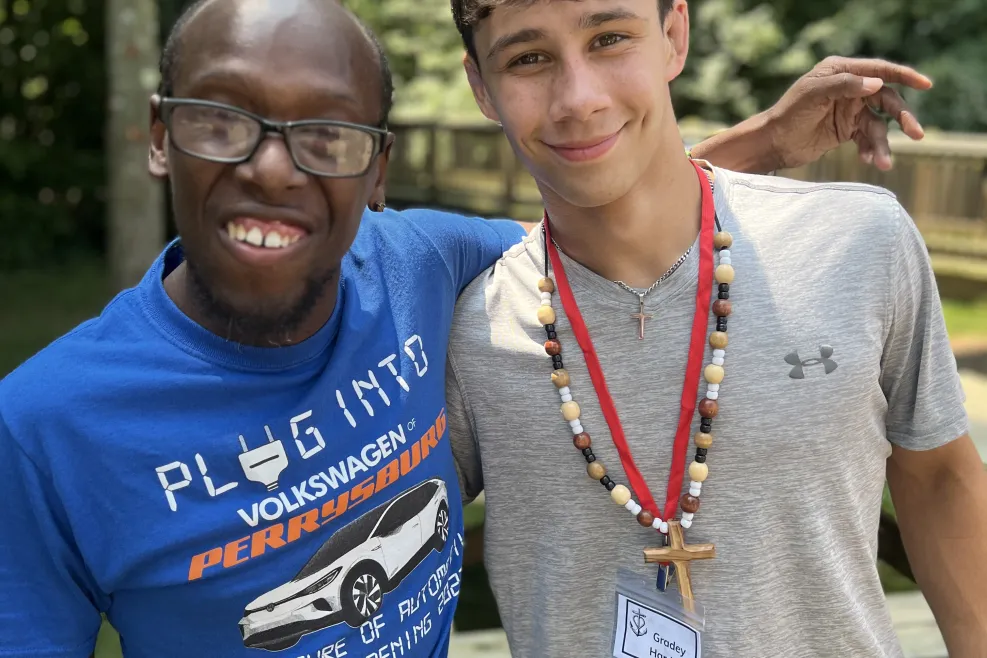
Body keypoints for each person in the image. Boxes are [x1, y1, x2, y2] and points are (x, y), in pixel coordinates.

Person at [0, 0, 940, 656]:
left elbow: (595, 205)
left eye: (327, 135)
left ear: (376, 172)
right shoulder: (43, 427)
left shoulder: (422, 263)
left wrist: (762, 144)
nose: (274, 169)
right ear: (162, 135)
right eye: (221, 120)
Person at [444, 1, 987, 657]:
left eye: (610, 38)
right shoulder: (469, 330)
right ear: (481, 86)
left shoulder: (857, 243)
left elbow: (939, 480)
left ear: (674, 36)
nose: (577, 98)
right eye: (527, 58)